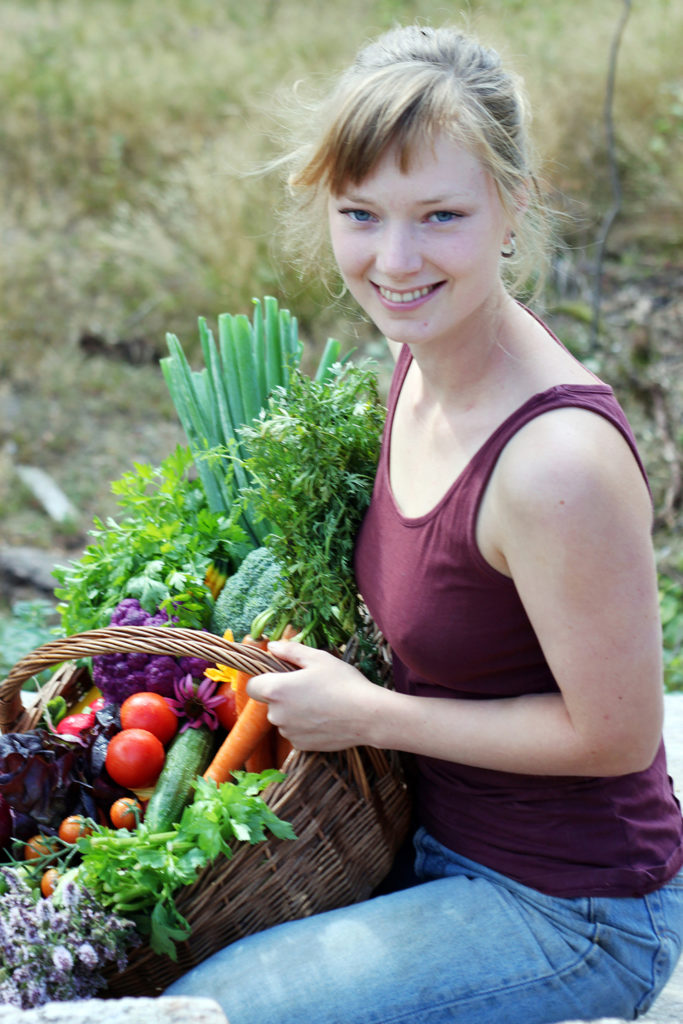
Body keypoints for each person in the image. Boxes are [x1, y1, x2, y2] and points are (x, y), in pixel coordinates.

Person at [165, 23, 683, 1023]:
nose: (393, 261)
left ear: (510, 207)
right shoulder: (419, 360)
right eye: (360, 213)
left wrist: (369, 714)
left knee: (203, 1007)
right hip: (427, 831)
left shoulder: (554, 463)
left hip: (567, 906)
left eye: (438, 215)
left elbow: (617, 734)